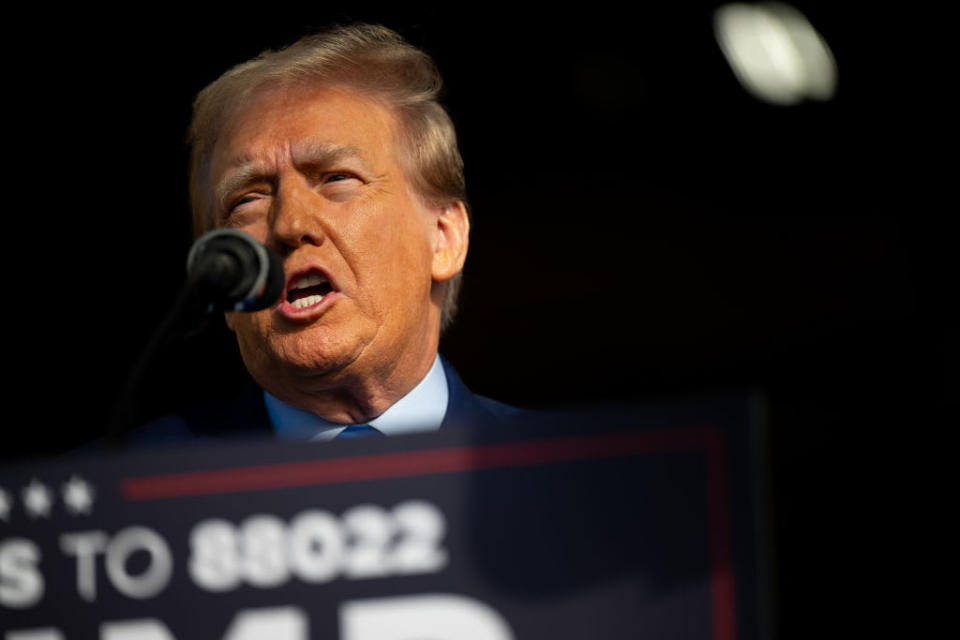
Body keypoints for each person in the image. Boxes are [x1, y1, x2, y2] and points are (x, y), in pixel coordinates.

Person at [131, 24, 519, 446]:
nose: (289, 225)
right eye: (246, 201)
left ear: (444, 237)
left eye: (336, 178)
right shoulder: (127, 493)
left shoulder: (566, 476)